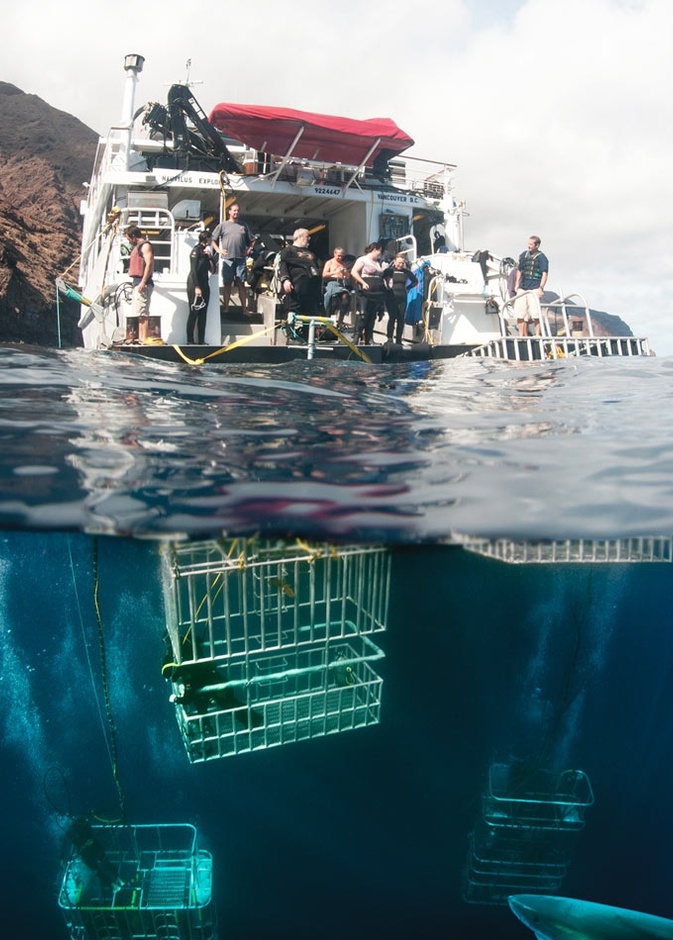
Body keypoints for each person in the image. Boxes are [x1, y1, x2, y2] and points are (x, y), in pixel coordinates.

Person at [211, 203, 254, 316]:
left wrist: (249, 249)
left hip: (240, 259)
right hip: (227, 259)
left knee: (241, 284)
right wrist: (219, 250)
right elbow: (212, 239)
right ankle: (226, 308)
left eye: (237, 211)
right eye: (234, 210)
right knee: (227, 284)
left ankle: (244, 309)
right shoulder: (223, 225)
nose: (236, 212)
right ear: (229, 212)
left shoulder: (243, 225)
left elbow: (252, 239)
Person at [278, 228, 323, 315]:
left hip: (311, 290)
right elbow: (283, 265)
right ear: (300, 237)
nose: (308, 240)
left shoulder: (311, 253)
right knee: (292, 314)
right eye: (307, 237)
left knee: (309, 315)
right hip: (296, 288)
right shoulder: (288, 251)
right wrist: (286, 280)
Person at [350, 242, 385, 344]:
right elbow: (354, 272)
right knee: (363, 314)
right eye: (379, 251)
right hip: (365, 292)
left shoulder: (378, 263)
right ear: (374, 249)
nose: (380, 254)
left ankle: (369, 338)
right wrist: (362, 282)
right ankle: (356, 337)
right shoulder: (362, 260)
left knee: (372, 315)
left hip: (376, 293)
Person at [513, 235, 548, 336]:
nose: (528, 246)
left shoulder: (542, 258)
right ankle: (521, 335)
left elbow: (544, 274)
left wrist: (541, 288)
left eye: (531, 244)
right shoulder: (524, 255)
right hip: (523, 287)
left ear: (537, 245)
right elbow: (519, 270)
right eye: (528, 243)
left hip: (535, 287)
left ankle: (538, 334)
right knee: (520, 313)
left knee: (535, 314)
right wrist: (517, 284)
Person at [126, 225, 154, 341]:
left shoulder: (145, 246)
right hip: (137, 282)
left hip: (143, 283)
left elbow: (149, 263)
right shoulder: (138, 247)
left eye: (128, 238)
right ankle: (139, 338)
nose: (128, 241)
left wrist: (143, 282)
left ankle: (143, 339)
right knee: (138, 312)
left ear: (133, 237)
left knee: (142, 313)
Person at [382, 252, 418, 344]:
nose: (400, 265)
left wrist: (408, 288)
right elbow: (381, 278)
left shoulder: (406, 272)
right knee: (392, 318)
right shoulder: (389, 271)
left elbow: (415, 281)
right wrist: (385, 289)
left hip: (402, 297)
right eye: (399, 262)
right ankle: (389, 338)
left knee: (401, 319)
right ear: (394, 261)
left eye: (402, 263)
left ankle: (398, 340)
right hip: (391, 297)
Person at [186, 231, 214, 344]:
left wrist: (210, 258)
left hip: (205, 284)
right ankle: (190, 340)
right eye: (210, 238)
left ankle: (201, 340)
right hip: (195, 284)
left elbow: (212, 270)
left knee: (203, 313)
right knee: (194, 313)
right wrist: (197, 287)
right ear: (206, 239)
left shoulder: (206, 253)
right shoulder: (196, 250)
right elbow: (193, 270)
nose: (212, 241)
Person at [322, 246, 352, 328]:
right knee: (333, 303)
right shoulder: (329, 262)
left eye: (342, 256)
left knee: (346, 298)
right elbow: (324, 274)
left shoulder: (343, 264)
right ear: (334, 254)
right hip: (332, 283)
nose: (340, 257)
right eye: (338, 255)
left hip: (341, 284)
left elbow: (348, 276)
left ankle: (340, 320)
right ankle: (330, 320)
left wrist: (345, 272)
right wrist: (334, 272)